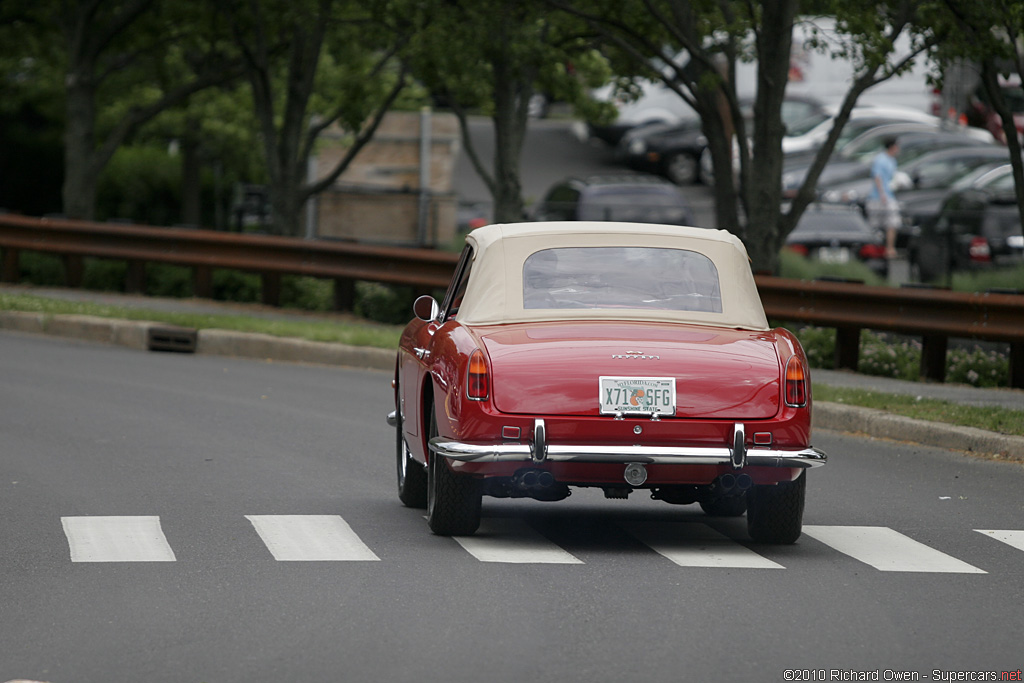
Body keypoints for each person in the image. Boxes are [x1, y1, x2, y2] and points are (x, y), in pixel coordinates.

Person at [866, 136, 901, 260]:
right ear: (892, 147)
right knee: (875, 224)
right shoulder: (880, 159)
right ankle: (874, 249)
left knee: (892, 222)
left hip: (889, 195)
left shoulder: (892, 160)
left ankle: (889, 248)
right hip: (878, 197)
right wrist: (882, 194)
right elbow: (877, 177)